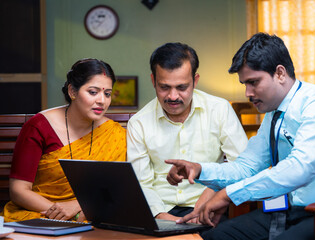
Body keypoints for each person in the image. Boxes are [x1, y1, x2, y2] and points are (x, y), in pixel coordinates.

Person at [166, 33, 315, 240]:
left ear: (280, 73)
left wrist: (228, 194)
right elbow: (246, 167)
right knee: (218, 236)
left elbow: (300, 168)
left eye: (254, 82)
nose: (248, 93)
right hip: (294, 210)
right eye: (244, 84)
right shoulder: (273, 114)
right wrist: (200, 169)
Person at [126, 42, 248, 222]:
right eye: (164, 87)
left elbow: (242, 164)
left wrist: (212, 195)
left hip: (210, 206)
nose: (173, 96)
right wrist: (164, 219)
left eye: (182, 87)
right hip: (160, 211)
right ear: (153, 81)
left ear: (195, 80)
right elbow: (140, 183)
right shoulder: (139, 123)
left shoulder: (219, 109)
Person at [2, 58, 127, 222]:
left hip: (92, 213)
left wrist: (78, 206)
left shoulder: (114, 134)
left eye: (107, 94)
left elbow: (115, 188)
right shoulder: (39, 127)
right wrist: (64, 214)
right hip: (40, 212)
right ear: (72, 92)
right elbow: (19, 190)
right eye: (93, 92)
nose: (102, 100)